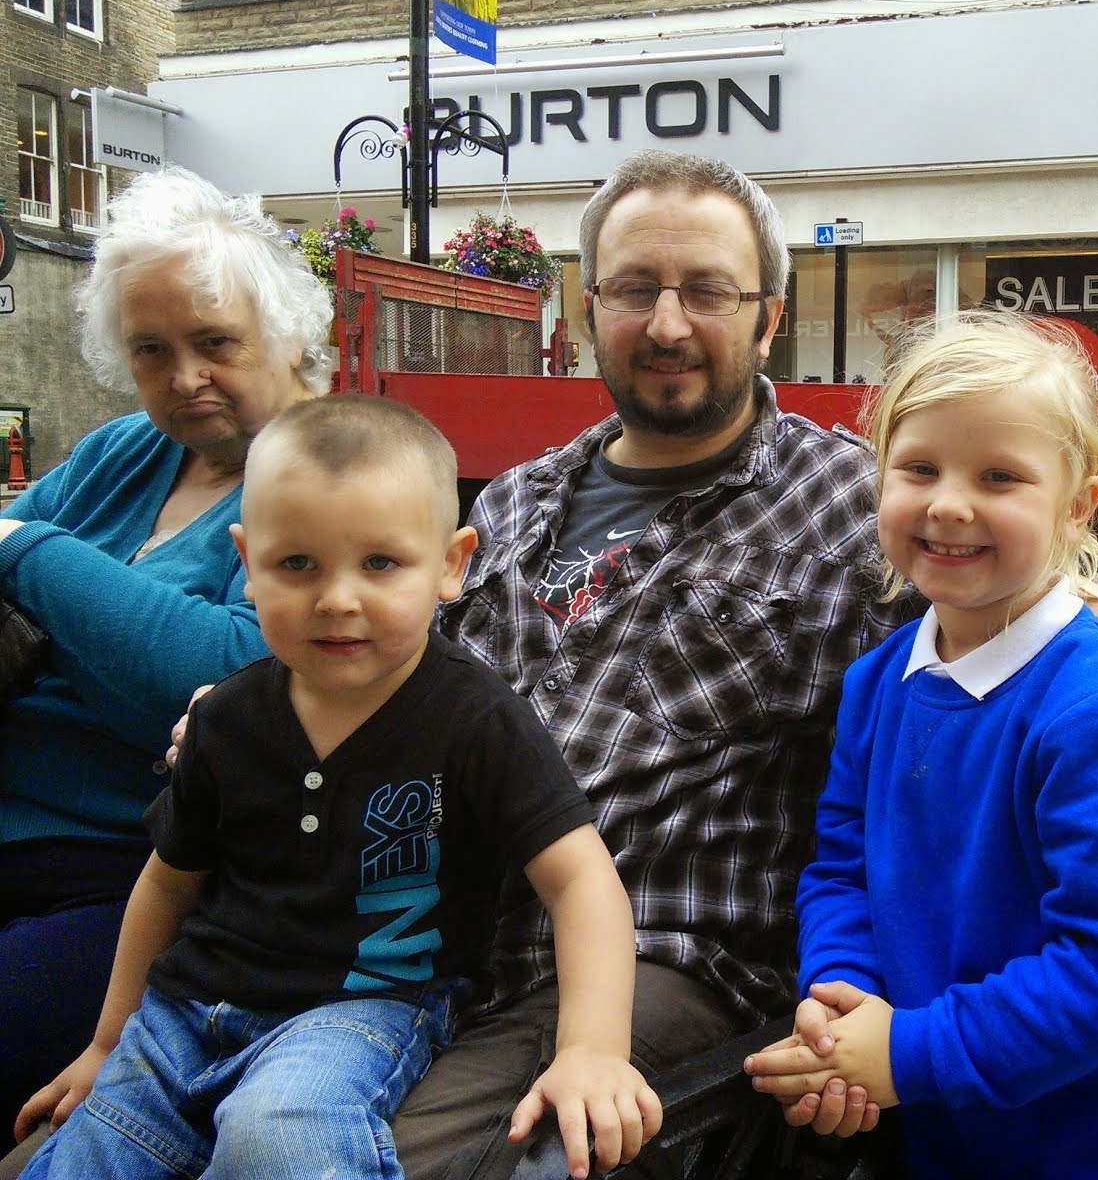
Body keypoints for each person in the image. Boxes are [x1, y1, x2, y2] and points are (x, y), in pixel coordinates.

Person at [376, 149, 1098, 1176]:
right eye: (633, 288)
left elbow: (1086, 615)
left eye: (706, 290)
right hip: (432, 935)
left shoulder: (854, 502)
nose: (665, 323)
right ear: (586, 304)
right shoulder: (512, 502)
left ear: (768, 314)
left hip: (663, 964)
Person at [15, 395, 660, 1180]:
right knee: (85, 1157)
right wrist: (107, 1042)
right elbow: (166, 883)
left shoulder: (474, 718)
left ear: (453, 563)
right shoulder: (229, 716)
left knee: (279, 1133)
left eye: (380, 564)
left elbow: (581, 879)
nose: (338, 599)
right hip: (184, 1012)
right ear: (246, 565)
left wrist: (592, 1049)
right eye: (297, 564)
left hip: (362, 1010)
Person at [743, 311, 1098, 1177]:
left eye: (1001, 476)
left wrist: (905, 1055)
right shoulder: (878, 680)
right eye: (920, 468)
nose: (948, 503)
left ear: (1076, 506)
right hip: (951, 1129)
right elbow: (842, 867)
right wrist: (844, 990)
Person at [0, 165, 332, 1135]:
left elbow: (225, 672)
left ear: (290, 331)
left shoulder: (328, 470)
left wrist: (31, 555)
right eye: (151, 350)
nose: (184, 377)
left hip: (135, 883)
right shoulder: (120, 453)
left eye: (215, 342)